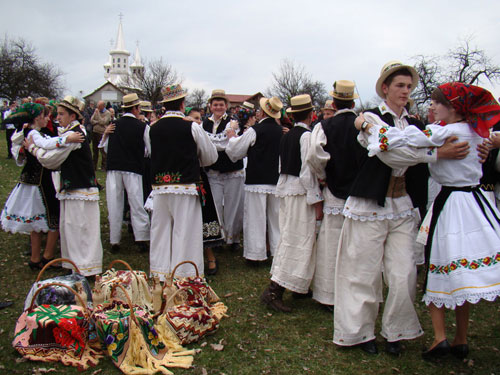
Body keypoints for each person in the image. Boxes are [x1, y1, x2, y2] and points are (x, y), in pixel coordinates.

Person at [333, 61, 469, 356]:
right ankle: (360, 332)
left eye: (409, 86)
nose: (405, 91)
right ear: (385, 88)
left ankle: (395, 331)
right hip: (369, 204)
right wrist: (434, 153)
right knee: (362, 270)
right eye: (399, 85)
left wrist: (482, 145)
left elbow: (427, 147)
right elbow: (391, 155)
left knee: (404, 272)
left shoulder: (418, 125)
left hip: (403, 205)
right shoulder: (370, 119)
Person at [356, 82, 500, 360]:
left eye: (437, 103)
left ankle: (440, 338)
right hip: (476, 203)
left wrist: (368, 126)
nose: (431, 107)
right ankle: (461, 338)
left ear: (454, 107)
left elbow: (394, 141)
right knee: (462, 275)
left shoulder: (440, 131)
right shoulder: (477, 132)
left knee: (440, 267)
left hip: (450, 205)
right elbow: (491, 137)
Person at [25, 96, 103, 277]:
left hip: (81, 188)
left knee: (80, 228)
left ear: (72, 115)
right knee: (70, 228)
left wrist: (32, 149)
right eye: (57, 114)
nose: (58, 118)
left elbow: (50, 160)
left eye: (61, 114)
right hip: (72, 188)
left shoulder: (75, 134)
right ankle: (74, 265)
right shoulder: (69, 133)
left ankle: (85, 267)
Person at [147, 84, 217, 280]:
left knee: (160, 230)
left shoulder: (152, 128)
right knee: (185, 231)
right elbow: (210, 157)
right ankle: (185, 276)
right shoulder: (192, 127)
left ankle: (160, 275)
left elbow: (152, 154)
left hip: (160, 187)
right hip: (186, 185)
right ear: (182, 104)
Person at [1, 103, 83, 269]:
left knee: (37, 221)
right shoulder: (32, 133)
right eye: (46, 116)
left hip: (34, 179)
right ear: (38, 118)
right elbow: (47, 144)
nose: (49, 119)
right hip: (40, 180)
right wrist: (68, 138)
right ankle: (47, 256)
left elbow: (48, 141)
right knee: (54, 216)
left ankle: (35, 258)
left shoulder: (33, 133)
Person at [260, 94, 323, 312]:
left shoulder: (287, 135)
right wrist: (316, 198)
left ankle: (299, 286)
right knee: (298, 239)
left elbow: (281, 164)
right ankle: (274, 290)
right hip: (299, 192)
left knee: (292, 236)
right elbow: (307, 172)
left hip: (287, 189)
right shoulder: (305, 137)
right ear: (311, 114)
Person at [306, 80, 362, 309]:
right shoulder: (363, 124)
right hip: (360, 191)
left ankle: (327, 294)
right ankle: (353, 291)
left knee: (331, 242)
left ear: (335, 102)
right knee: (355, 244)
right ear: (352, 101)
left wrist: (323, 175)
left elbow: (314, 155)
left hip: (334, 189)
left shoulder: (324, 126)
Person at [226, 97, 284, 264]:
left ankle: (255, 254)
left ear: (263, 112)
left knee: (255, 218)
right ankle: (277, 253)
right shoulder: (281, 131)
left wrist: (231, 136)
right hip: (275, 179)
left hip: (257, 179)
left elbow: (237, 150)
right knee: (275, 219)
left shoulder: (255, 130)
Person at [99, 93, 150, 253]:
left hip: (114, 168)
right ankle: (141, 237)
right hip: (133, 168)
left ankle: (115, 240)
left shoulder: (113, 124)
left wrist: (106, 134)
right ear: (135, 108)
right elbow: (149, 150)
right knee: (136, 202)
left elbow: (106, 147)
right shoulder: (142, 127)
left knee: (114, 203)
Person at [202, 90, 244, 251]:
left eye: (221, 104)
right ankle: (218, 238)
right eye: (215, 104)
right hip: (213, 171)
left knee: (233, 206)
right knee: (216, 205)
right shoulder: (205, 123)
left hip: (232, 170)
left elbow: (226, 143)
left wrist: (209, 141)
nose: (218, 107)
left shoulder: (233, 122)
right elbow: (217, 141)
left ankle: (233, 239)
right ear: (210, 106)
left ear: (226, 106)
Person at [90, 100, 111, 170]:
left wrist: (98, 115)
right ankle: (94, 166)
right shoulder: (96, 111)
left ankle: (104, 166)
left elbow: (103, 122)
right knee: (94, 150)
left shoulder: (107, 113)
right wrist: (98, 121)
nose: (98, 107)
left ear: (103, 106)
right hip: (95, 132)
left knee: (103, 151)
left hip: (102, 133)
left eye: (99, 106)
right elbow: (91, 120)